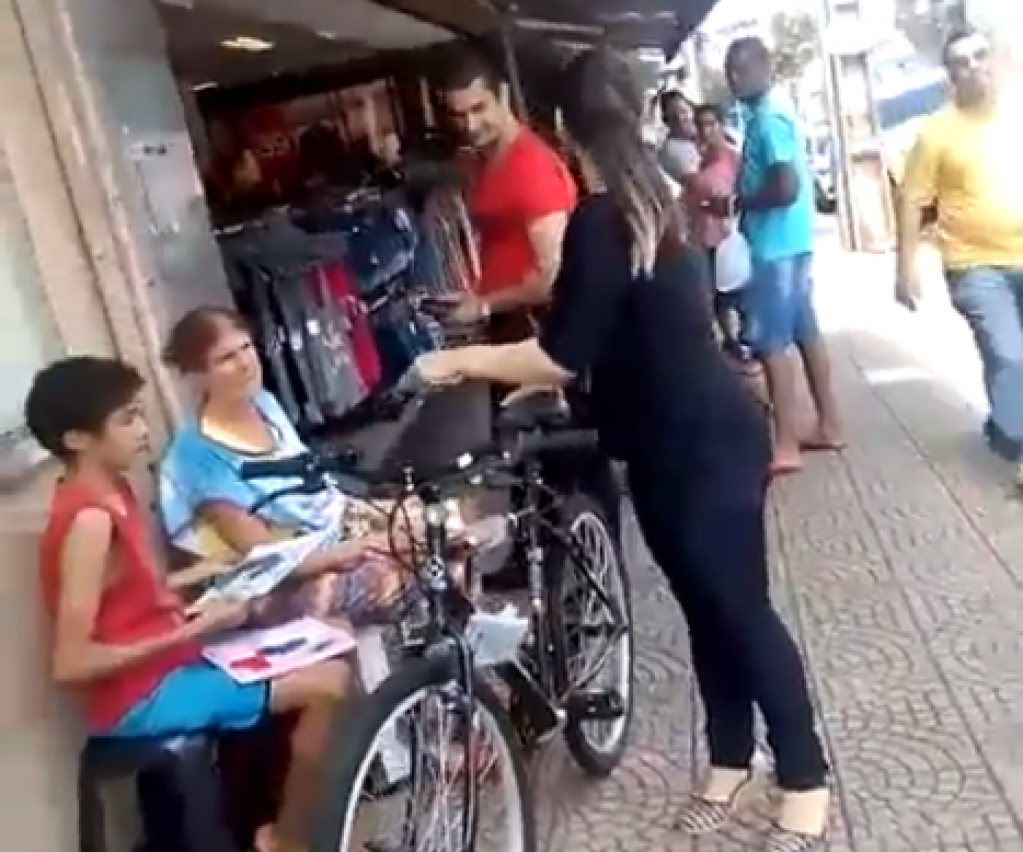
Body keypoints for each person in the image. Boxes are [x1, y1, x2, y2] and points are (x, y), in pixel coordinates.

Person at [413, 47, 830, 852]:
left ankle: (805, 775)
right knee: (706, 611)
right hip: (673, 443)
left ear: (562, 126)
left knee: (740, 613)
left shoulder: (611, 217)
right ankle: (728, 759)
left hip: (702, 447)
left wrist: (456, 359)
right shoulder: (647, 204)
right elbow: (612, 341)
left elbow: (560, 351)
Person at [25, 356, 353, 852]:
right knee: (331, 683)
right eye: (126, 419)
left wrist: (214, 576)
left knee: (319, 638)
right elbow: (72, 662)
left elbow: (135, 598)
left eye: (138, 413)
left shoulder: (113, 491)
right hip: (141, 698)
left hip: (170, 669)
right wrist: (193, 629)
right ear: (77, 439)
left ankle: (256, 816)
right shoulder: (88, 520)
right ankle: (285, 839)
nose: (142, 429)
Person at [159, 306, 408, 625]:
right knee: (414, 559)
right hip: (290, 581)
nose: (245, 363)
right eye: (226, 359)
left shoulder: (263, 403)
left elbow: (318, 495)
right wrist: (352, 550)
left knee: (449, 525)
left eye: (246, 348)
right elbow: (269, 559)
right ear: (197, 376)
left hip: (338, 527)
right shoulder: (198, 459)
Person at [896, 28, 1023, 470]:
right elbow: (913, 200)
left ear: (993, 59)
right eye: (961, 63)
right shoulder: (936, 133)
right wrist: (905, 269)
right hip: (974, 264)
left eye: (979, 57)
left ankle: (1003, 424)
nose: (973, 68)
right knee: (1009, 353)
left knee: (1006, 359)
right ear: (950, 75)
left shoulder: (1017, 113)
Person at [720, 36, 845, 476]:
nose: (733, 78)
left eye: (741, 69)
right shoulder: (771, 111)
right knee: (806, 333)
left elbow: (784, 186)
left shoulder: (768, 119)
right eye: (729, 70)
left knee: (771, 344)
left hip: (775, 248)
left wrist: (741, 202)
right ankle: (830, 423)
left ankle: (786, 443)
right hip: (792, 244)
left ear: (763, 67)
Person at [436, 45, 577, 343]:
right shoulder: (486, 160)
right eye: (459, 115)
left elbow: (551, 277)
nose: (470, 126)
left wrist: (484, 304)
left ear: (502, 95)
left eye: (478, 109)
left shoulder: (530, 167)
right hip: (511, 323)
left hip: (537, 330)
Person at [690, 102, 745, 361]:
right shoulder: (703, 159)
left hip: (729, 234)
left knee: (732, 290)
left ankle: (740, 339)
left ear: (721, 125)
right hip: (704, 235)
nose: (705, 130)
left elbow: (743, 193)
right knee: (715, 294)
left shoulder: (732, 157)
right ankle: (730, 340)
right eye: (700, 125)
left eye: (711, 124)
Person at [658, 90, 702, 192]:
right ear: (667, 123)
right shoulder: (671, 150)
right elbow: (698, 186)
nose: (681, 119)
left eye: (683, 111)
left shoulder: (704, 136)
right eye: (674, 117)